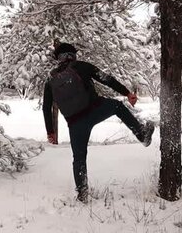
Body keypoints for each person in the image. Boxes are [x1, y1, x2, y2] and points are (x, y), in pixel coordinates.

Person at [42, 42, 155, 203]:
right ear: (72, 55)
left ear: (58, 58)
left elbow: (46, 107)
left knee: (79, 158)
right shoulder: (81, 66)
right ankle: (142, 134)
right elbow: (106, 79)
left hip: (75, 123)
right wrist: (127, 92)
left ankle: (82, 194)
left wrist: (50, 131)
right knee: (117, 106)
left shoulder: (50, 78)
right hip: (94, 110)